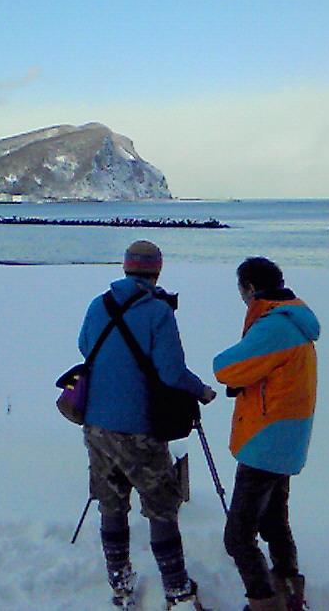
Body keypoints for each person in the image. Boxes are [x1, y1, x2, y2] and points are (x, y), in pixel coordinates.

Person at [78, 240, 216, 610]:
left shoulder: (99, 304)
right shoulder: (158, 312)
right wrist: (200, 390)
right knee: (160, 505)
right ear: (157, 270)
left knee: (111, 502)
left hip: (96, 424)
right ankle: (177, 590)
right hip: (139, 427)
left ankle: (120, 584)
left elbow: (84, 347)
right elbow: (171, 372)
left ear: (125, 268)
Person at [213, 257, 320, 611]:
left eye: (241, 288)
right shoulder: (293, 317)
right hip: (289, 436)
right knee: (274, 522)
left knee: (238, 537)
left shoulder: (273, 325)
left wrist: (240, 377)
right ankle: (289, 590)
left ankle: (264, 603)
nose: (241, 296)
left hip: (266, 439)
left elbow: (226, 367)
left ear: (252, 288)